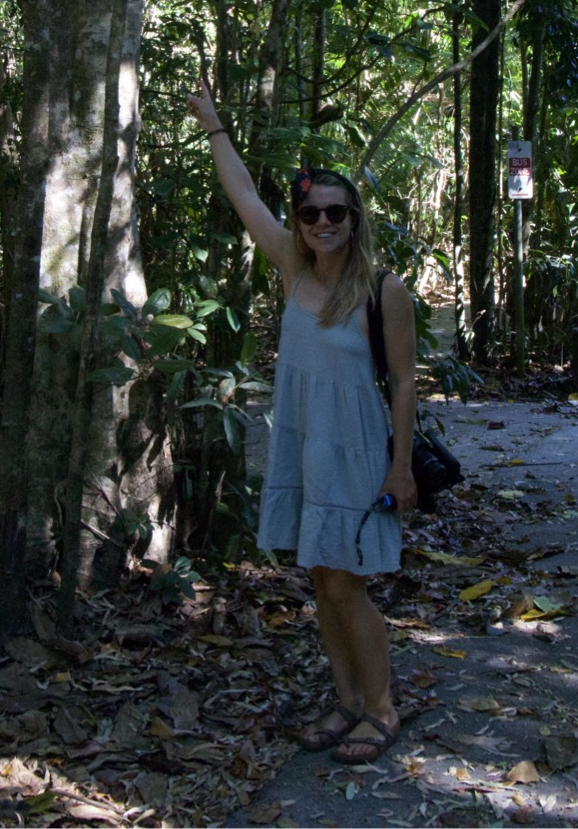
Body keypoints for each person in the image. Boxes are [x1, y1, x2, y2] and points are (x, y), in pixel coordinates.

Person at [186, 81, 417, 764]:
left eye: (335, 213)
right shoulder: (291, 266)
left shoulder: (383, 288)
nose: (322, 223)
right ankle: (346, 701)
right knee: (319, 578)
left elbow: (403, 382)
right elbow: (244, 199)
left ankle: (380, 708)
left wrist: (399, 467)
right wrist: (214, 124)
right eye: (311, 213)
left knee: (346, 581)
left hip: (357, 451)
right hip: (304, 444)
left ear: (354, 218)